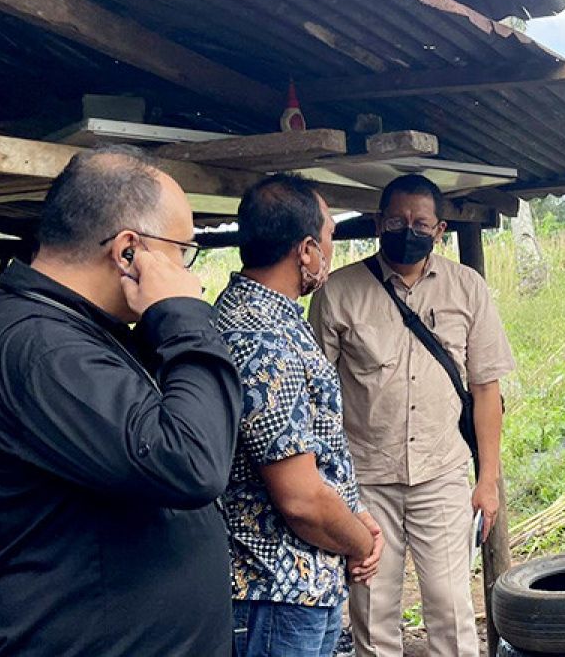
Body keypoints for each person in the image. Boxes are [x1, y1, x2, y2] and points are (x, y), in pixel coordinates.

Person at [0, 146, 242, 656]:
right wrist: (184, 316)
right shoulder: (40, 347)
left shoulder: (70, 332)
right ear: (128, 251)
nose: (187, 271)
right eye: (182, 250)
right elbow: (189, 461)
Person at [310, 174, 514, 657]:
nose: (409, 229)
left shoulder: (467, 289)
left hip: (441, 476)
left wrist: (487, 480)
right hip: (365, 483)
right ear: (379, 223)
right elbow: (313, 396)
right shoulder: (338, 293)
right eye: (398, 220)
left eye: (420, 222)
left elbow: (486, 391)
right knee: (373, 610)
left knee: (450, 609)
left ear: (439, 229)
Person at [214, 175, 383, 657]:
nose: (330, 250)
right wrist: (359, 542)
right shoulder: (262, 338)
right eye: (328, 236)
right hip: (275, 594)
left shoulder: (275, 317)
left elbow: (313, 450)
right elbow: (302, 500)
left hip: (301, 588)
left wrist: (356, 517)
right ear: (307, 250)